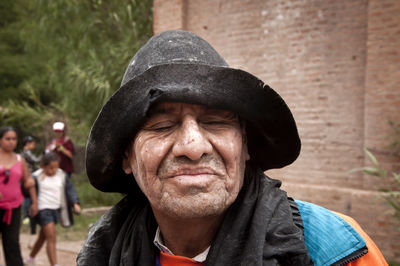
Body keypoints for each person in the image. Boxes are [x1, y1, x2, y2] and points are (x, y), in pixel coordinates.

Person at [77, 30, 387, 265]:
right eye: (161, 126)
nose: (193, 147)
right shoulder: (103, 251)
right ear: (127, 156)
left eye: (215, 122)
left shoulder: (338, 251)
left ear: (245, 145)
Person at [25, 152, 81, 266]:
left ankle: (30, 258)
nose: (54, 170)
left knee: (43, 237)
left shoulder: (61, 175)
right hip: (43, 210)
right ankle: (54, 264)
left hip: (56, 210)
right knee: (51, 237)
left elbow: (70, 189)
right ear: (43, 166)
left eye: (56, 167)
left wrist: (75, 203)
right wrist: (28, 210)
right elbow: (27, 192)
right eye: (51, 168)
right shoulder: (36, 176)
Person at [0, 126, 38, 266]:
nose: (11, 142)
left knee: (12, 243)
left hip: (14, 207)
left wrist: (34, 202)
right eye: (7, 138)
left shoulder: (19, 159)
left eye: (14, 139)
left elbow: (28, 182)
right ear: (1, 140)